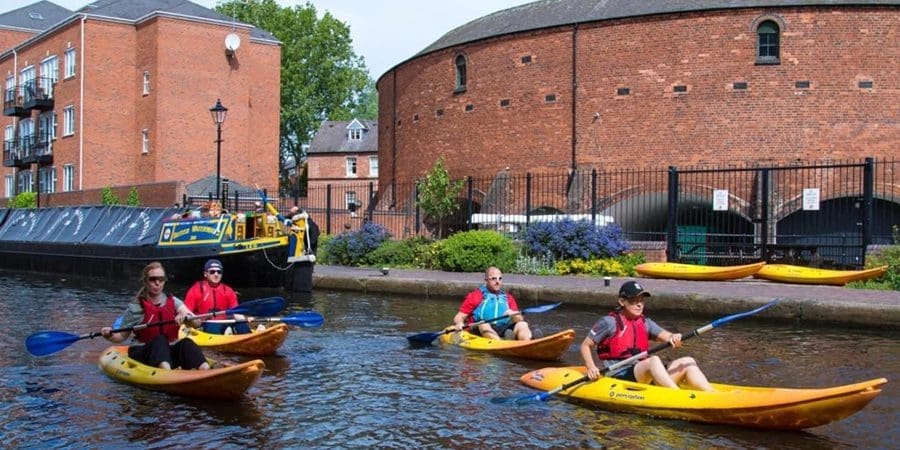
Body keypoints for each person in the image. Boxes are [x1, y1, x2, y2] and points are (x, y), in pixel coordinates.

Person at [579, 280, 714, 391]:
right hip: (619, 375)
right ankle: (677, 396)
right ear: (622, 301)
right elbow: (585, 345)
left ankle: (712, 395)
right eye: (634, 301)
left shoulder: (645, 323)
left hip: (644, 372)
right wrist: (591, 367)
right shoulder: (609, 322)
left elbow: (667, 336)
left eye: (641, 300)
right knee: (654, 360)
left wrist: (674, 337)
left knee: (687, 361)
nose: (639, 304)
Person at [100, 262, 209, 370]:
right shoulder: (136, 307)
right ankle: (167, 373)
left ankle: (205, 369)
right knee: (160, 340)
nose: (157, 283)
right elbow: (121, 336)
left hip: (169, 351)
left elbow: (196, 323)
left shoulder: (174, 302)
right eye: (153, 279)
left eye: (161, 279)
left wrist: (186, 317)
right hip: (143, 351)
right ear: (145, 281)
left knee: (186, 343)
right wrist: (109, 334)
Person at [451, 266, 532, 340]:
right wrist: (460, 323)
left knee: (522, 324)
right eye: (494, 278)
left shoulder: (508, 298)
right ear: (486, 280)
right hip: (480, 328)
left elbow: (519, 319)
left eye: (500, 278)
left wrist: (514, 314)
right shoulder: (476, 295)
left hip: (503, 328)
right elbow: (458, 317)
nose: (497, 282)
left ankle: (527, 343)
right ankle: (501, 344)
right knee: (483, 324)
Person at [183, 259, 249, 334]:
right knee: (213, 326)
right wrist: (192, 321)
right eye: (212, 272)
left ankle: (249, 337)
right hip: (205, 324)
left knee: (241, 324)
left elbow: (236, 313)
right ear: (205, 274)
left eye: (219, 272)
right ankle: (227, 332)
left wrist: (243, 320)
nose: (216, 274)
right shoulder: (196, 290)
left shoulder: (228, 290)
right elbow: (186, 311)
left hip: (225, 321)